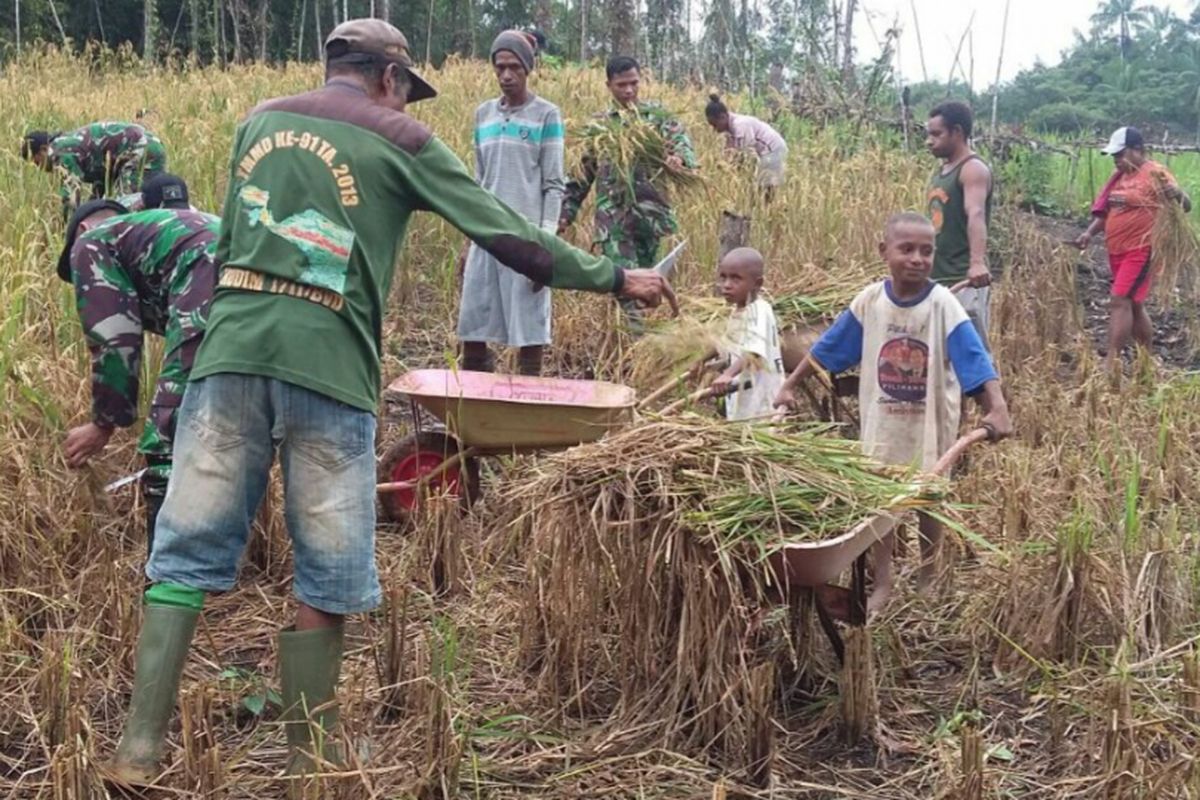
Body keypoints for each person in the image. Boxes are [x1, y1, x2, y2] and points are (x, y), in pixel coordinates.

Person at [105, 18, 676, 787]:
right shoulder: (400, 138)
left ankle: (137, 754)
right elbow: (506, 232)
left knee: (184, 548)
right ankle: (311, 761)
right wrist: (613, 276)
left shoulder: (258, 123)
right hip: (329, 368)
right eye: (407, 89)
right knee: (329, 570)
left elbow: (233, 243)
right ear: (388, 78)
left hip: (229, 357)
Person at [774, 213, 1012, 588]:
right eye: (907, 250)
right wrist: (791, 383)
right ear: (884, 251)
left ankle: (929, 572)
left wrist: (996, 407)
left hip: (929, 422)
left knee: (929, 498)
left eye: (926, 251)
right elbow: (828, 349)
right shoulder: (869, 302)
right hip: (882, 422)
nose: (917, 258)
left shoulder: (942, 305)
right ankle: (883, 578)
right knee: (881, 501)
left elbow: (975, 359)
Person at [58, 174, 219, 558]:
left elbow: (115, 340)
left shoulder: (91, 243)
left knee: (168, 433)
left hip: (210, 280)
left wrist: (103, 424)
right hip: (266, 277)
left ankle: (166, 577)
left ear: (81, 229)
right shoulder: (161, 228)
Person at [560, 56, 698, 331]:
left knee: (646, 286)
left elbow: (683, 148)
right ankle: (636, 351)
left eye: (634, 83)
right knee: (626, 289)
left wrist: (679, 160)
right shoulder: (599, 128)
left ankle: (633, 344)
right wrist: (565, 214)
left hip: (651, 218)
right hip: (614, 222)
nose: (629, 91)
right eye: (621, 85)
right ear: (608, 85)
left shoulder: (658, 119)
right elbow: (580, 176)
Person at [457, 31, 564, 376]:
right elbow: (477, 183)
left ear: (528, 68)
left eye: (514, 67)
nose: (506, 75)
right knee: (474, 321)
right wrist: (466, 238)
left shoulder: (546, 115)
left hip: (525, 236)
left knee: (529, 326)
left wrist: (545, 244)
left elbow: (554, 184)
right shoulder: (483, 115)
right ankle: (475, 404)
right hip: (485, 236)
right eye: (500, 67)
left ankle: (526, 407)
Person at [1075, 126, 1191, 371]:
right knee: (1134, 304)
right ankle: (1145, 361)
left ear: (1137, 150)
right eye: (1114, 156)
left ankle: (1111, 364)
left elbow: (1186, 205)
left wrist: (1177, 193)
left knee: (1119, 299)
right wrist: (1089, 233)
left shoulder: (1155, 173)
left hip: (1142, 249)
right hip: (1117, 250)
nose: (1116, 160)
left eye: (1120, 154)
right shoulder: (1120, 178)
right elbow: (1108, 212)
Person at [925, 101, 993, 344]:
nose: (929, 141)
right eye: (928, 134)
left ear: (957, 132)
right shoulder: (944, 170)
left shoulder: (972, 169)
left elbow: (975, 214)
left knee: (971, 353)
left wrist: (976, 263)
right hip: (937, 276)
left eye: (936, 134)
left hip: (962, 279)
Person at [22, 122, 167, 214]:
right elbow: (103, 179)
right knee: (149, 201)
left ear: (43, 150)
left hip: (141, 148)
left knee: (129, 208)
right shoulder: (68, 144)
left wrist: (65, 231)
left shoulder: (60, 152)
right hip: (149, 145)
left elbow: (71, 199)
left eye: (37, 162)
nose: (40, 168)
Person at [709, 247, 784, 420]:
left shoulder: (759, 311)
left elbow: (754, 353)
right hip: (742, 396)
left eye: (736, 278)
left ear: (757, 284)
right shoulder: (737, 312)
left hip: (761, 401)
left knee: (759, 438)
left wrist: (728, 374)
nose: (726, 285)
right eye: (723, 277)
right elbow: (728, 346)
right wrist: (702, 362)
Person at [704, 94, 788, 198]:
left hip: (773, 149)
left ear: (723, 117)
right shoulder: (730, 129)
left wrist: (731, 167)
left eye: (715, 125)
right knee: (758, 189)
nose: (714, 129)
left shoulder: (740, 125)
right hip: (764, 152)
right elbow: (730, 152)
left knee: (765, 188)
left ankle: (766, 211)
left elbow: (745, 154)